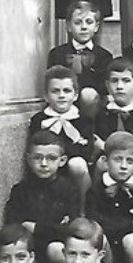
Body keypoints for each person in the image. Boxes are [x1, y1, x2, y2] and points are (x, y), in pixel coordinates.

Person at [4, 131, 79, 263]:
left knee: (56, 250)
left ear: (62, 161)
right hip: (31, 250)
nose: (44, 164)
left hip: (57, 249)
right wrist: (55, 228)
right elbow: (14, 227)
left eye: (51, 158)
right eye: (38, 158)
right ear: (28, 159)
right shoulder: (20, 190)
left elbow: (71, 230)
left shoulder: (68, 189)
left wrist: (37, 228)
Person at [85, 131, 133, 263]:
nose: (123, 166)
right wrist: (128, 224)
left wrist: (123, 229)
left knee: (131, 240)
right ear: (105, 161)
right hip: (108, 247)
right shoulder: (96, 191)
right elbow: (96, 222)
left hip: (132, 248)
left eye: (130, 161)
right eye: (117, 159)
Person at [28, 65, 94, 214]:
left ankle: (82, 211)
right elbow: (36, 145)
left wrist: (63, 154)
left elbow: (86, 151)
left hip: (72, 171)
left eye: (67, 91)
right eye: (55, 91)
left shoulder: (84, 120)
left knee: (78, 164)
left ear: (76, 95)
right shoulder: (40, 120)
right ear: (46, 96)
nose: (61, 95)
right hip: (47, 166)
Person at [94, 57, 133, 180]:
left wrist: (105, 146)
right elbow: (98, 139)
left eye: (126, 81)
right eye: (114, 81)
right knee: (101, 164)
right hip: (110, 162)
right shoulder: (102, 113)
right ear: (107, 86)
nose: (119, 86)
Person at [47, 0, 113, 118]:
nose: (83, 27)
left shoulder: (104, 56)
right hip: (63, 102)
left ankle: (91, 132)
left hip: (92, 108)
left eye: (89, 22)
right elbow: (51, 82)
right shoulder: (57, 54)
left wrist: (88, 70)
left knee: (88, 94)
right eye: (78, 22)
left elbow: (104, 88)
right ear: (69, 26)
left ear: (96, 26)